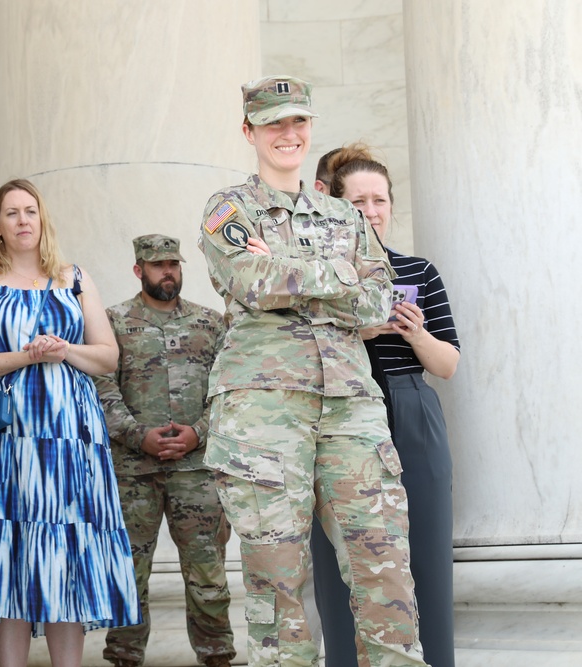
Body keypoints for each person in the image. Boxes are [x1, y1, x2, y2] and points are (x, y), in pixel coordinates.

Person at [197, 75, 430, 666]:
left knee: (387, 572)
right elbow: (249, 282)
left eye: (297, 121)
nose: (287, 133)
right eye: (273, 123)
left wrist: (288, 269)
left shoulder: (344, 216)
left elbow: (383, 300)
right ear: (248, 131)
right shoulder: (229, 209)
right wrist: (338, 277)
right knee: (278, 586)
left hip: (352, 408)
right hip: (263, 412)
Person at [0, 179, 141, 667]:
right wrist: (23, 355)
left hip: (71, 438)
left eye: (30, 211)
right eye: (10, 213)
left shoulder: (74, 278)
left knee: (68, 549)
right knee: (9, 552)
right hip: (7, 441)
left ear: (43, 219)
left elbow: (107, 357)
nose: (22, 221)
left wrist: (64, 350)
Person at [311, 144, 461, 667]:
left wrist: (415, 335)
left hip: (409, 405)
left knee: (425, 558)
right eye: (359, 202)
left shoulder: (419, 270)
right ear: (335, 206)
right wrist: (356, 329)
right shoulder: (316, 277)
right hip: (338, 413)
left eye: (379, 200)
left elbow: (447, 365)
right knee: (339, 560)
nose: (371, 211)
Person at [96, 235, 235, 667]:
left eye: (173, 263)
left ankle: (217, 657)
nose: (167, 272)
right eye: (157, 265)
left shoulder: (211, 323)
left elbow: (228, 390)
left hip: (197, 472)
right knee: (128, 576)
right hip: (132, 472)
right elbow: (102, 389)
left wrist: (198, 432)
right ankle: (124, 657)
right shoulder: (112, 321)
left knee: (208, 576)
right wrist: (138, 435)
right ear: (139, 270)